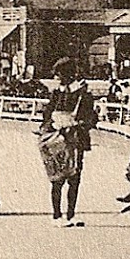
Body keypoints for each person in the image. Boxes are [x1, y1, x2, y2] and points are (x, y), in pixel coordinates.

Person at [40, 58, 97, 227]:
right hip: (58, 138)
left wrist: (77, 124)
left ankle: (70, 214)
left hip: (75, 138)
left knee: (74, 177)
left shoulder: (83, 95)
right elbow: (46, 115)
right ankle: (57, 215)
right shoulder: (57, 93)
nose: (57, 79)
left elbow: (91, 118)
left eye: (59, 75)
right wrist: (52, 125)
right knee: (57, 177)